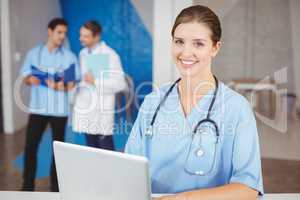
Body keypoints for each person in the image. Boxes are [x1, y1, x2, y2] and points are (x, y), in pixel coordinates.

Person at [125, 5, 263, 200]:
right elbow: (129, 171)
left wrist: (183, 199)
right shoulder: (152, 102)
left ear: (215, 48)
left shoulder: (236, 108)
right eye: (179, 42)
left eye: (198, 44)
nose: (186, 52)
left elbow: (247, 189)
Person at [20, 18, 80, 192]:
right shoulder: (34, 54)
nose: (62, 36)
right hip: (37, 109)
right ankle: (27, 186)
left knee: (57, 150)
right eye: (59, 32)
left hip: (59, 111)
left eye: (64, 33)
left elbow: (71, 84)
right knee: (30, 147)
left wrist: (59, 85)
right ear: (50, 31)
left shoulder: (69, 57)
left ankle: (55, 187)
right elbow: (26, 78)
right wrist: (31, 79)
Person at [72, 20, 127, 150]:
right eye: (81, 35)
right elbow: (84, 80)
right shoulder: (82, 54)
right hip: (86, 108)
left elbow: (120, 84)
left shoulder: (110, 55)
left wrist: (96, 81)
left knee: (106, 152)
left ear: (97, 36)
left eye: (85, 36)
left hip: (101, 112)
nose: (81, 39)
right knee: (91, 149)